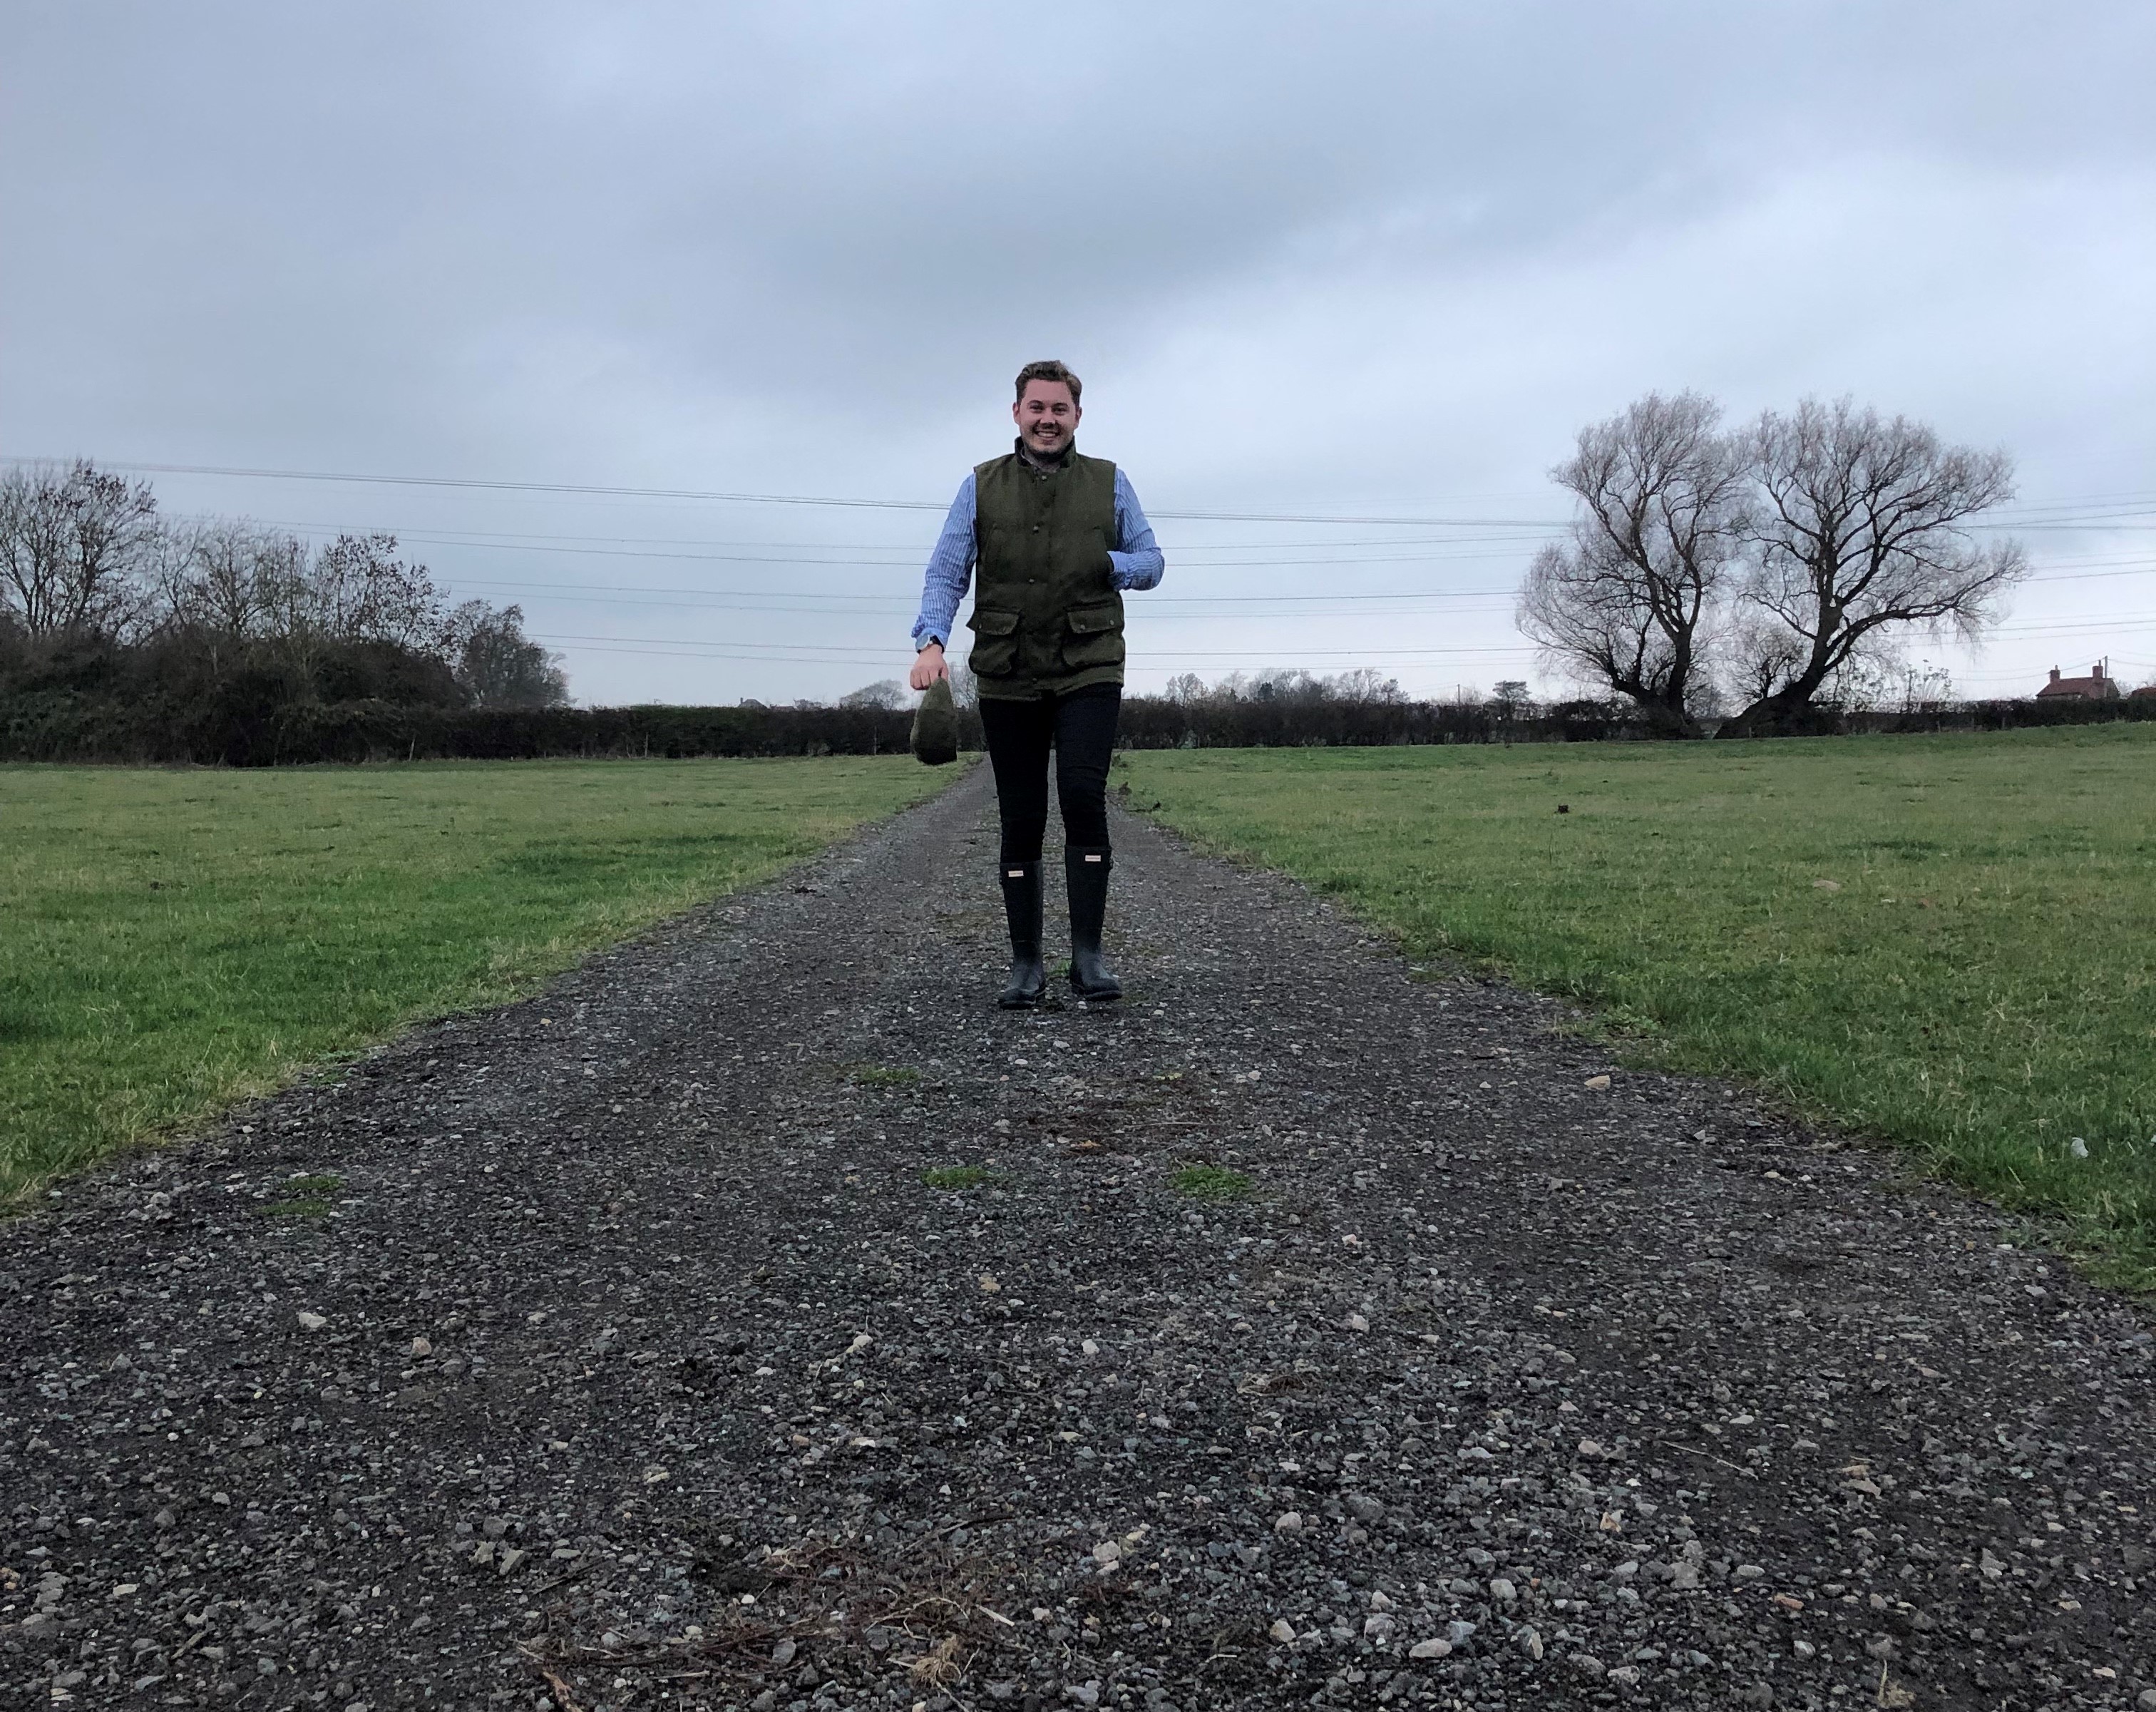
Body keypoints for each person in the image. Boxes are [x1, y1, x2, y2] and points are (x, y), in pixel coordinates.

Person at [909, 359, 1165, 1008]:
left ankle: (1089, 957)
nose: (1048, 419)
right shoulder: (979, 486)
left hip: (1090, 665)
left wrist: (1110, 563)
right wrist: (931, 643)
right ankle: (1026, 964)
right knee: (1020, 816)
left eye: (1060, 409)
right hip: (1008, 669)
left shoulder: (1111, 482)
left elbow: (1153, 561)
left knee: (1083, 795)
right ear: (1016, 413)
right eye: (1037, 408)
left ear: (1078, 416)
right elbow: (946, 571)